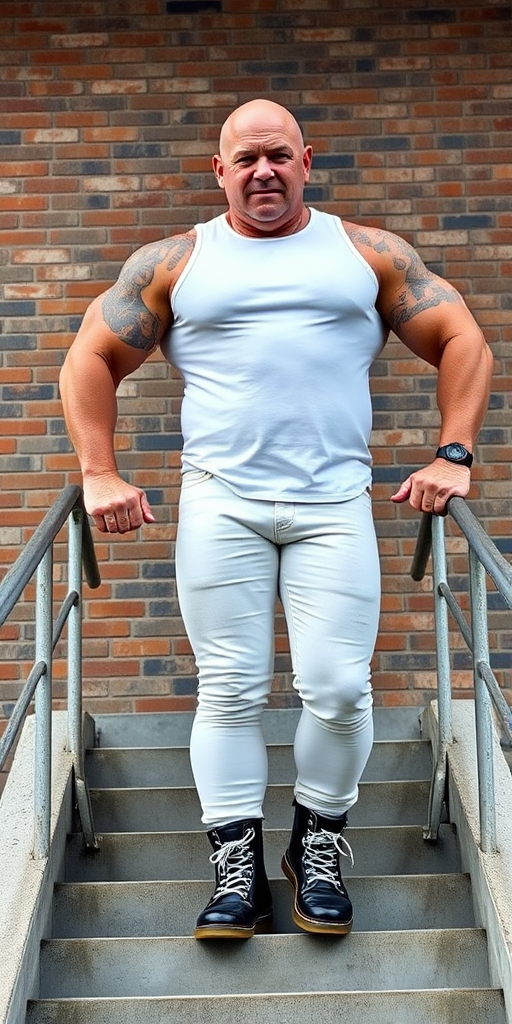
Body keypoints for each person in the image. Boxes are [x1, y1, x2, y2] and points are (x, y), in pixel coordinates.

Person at [59, 98, 493, 941]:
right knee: (229, 689)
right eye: (246, 158)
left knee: (336, 688)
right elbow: (91, 357)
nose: (264, 171)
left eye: (280, 155)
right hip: (222, 500)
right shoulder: (175, 262)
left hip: (333, 501)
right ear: (219, 170)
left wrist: (454, 454)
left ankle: (317, 842)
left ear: (306, 159)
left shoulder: (365, 254)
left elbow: (463, 340)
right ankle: (236, 869)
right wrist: (98, 472)